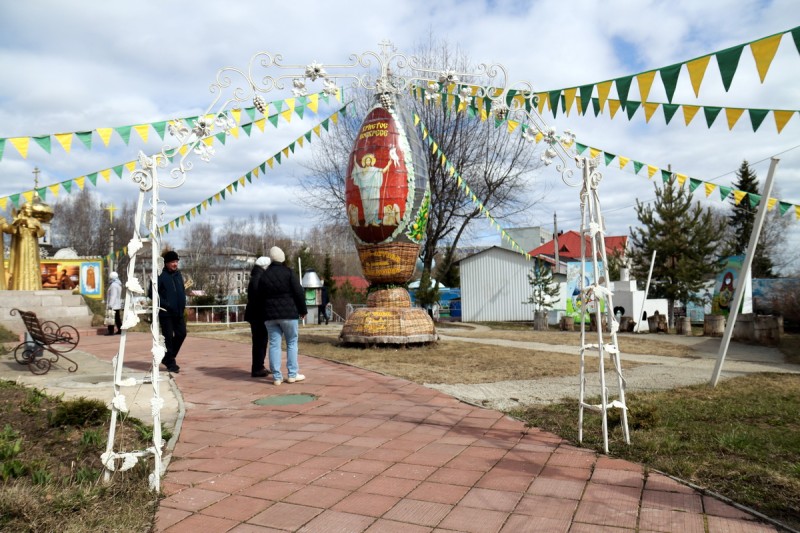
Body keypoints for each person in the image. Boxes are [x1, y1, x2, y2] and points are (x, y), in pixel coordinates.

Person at [257, 246, 307, 386]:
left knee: (274, 344)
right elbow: (298, 292)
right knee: (291, 342)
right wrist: (303, 310)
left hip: (270, 316)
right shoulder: (289, 273)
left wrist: (263, 313)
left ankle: (277, 377)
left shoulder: (264, 275)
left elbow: (259, 296)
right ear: (283, 258)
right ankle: (292, 374)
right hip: (289, 314)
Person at [156, 250, 186, 373]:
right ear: (166, 263)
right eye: (173, 262)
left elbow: (181, 291)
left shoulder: (178, 275)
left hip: (178, 312)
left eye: (176, 261)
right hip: (166, 313)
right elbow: (152, 294)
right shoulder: (160, 276)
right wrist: (166, 304)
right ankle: (171, 363)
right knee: (168, 338)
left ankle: (167, 357)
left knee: (181, 334)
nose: (175, 264)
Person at [4, 203, 46, 290]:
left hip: (33, 246)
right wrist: (18, 224)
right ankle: (20, 287)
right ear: (23, 210)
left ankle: (35, 287)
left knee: (34, 265)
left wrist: (36, 228)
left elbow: (42, 232)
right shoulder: (19, 219)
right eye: (28, 209)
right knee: (22, 264)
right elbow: (13, 231)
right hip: (22, 246)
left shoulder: (35, 221)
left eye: (31, 209)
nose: (30, 211)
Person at [245, 256, 270, 377]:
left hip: (256, 314)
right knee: (260, 341)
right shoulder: (258, 279)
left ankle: (259, 365)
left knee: (260, 341)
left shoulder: (256, 277)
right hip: (258, 315)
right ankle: (257, 367)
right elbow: (257, 298)